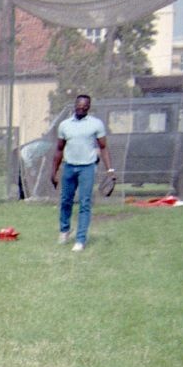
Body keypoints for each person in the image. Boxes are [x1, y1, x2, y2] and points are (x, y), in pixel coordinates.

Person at [49, 94, 116, 251]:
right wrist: (54, 171)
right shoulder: (65, 125)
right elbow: (59, 149)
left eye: (85, 106)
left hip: (87, 167)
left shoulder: (96, 124)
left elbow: (104, 147)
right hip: (69, 167)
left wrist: (110, 170)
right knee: (66, 201)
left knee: (85, 203)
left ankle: (80, 240)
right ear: (75, 105)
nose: (81, 108)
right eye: (79, 105)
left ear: (89, 107)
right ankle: (65, 230)